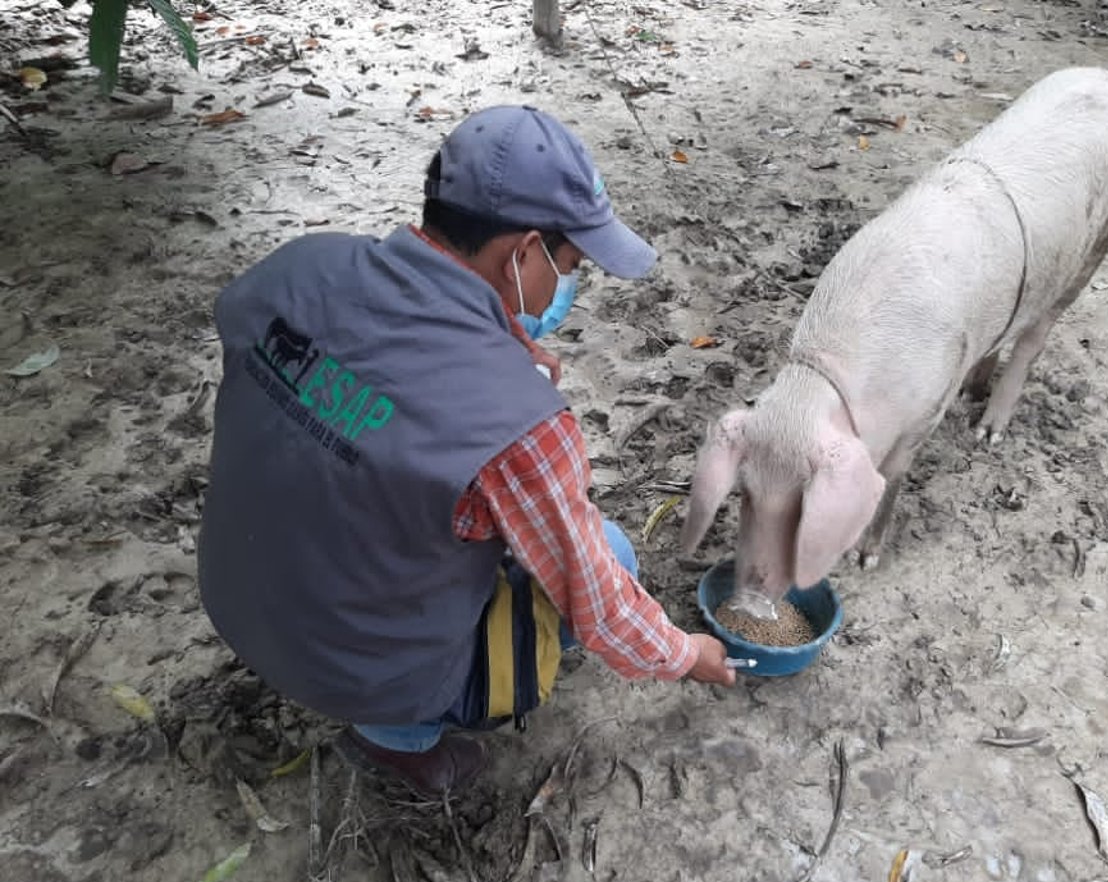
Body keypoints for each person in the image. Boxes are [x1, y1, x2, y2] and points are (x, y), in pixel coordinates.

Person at [196, 103, 736, 797]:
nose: (570, 284)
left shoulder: (298, 268)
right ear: (522, 254)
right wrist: (686, 653)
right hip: (355, 667)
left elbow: (358, 390)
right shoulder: (520, 428)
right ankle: (397, 736)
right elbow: (596, 603)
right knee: (613, 554)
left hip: (241, 603)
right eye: (570, 264)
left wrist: (494, 346)